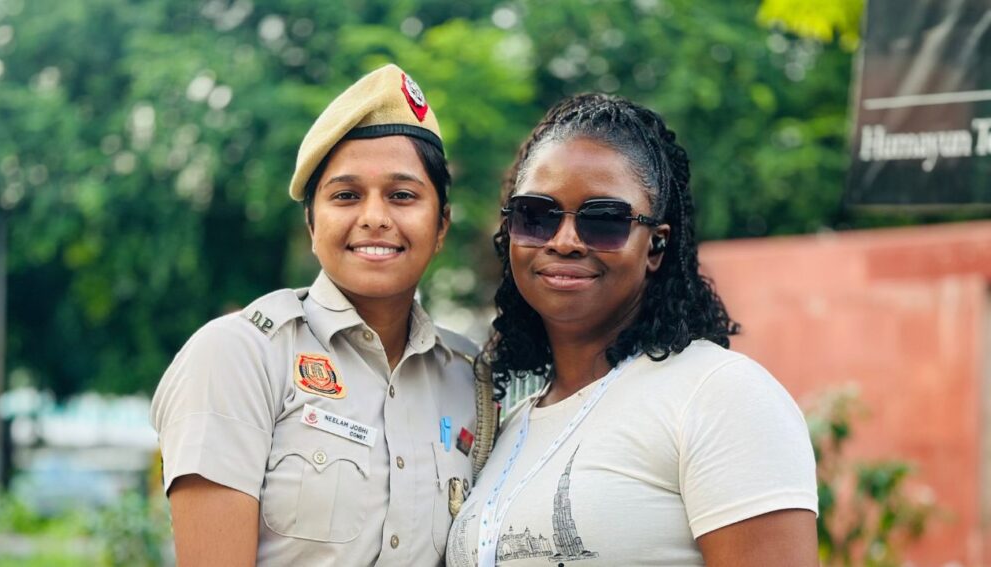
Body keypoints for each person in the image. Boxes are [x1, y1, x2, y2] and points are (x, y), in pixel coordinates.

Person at [446, 94, 818, 567]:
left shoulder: (719, 396)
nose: (564, 241)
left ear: (656, 245)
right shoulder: (514, 423)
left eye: (604, 221)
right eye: (536, 215)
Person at [151, 64, 496, 567]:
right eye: (346, 195)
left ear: (441, 224)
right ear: (312, 223)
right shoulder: (241, 356)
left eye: (402, 195)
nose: (375, 217)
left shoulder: (471, 379)